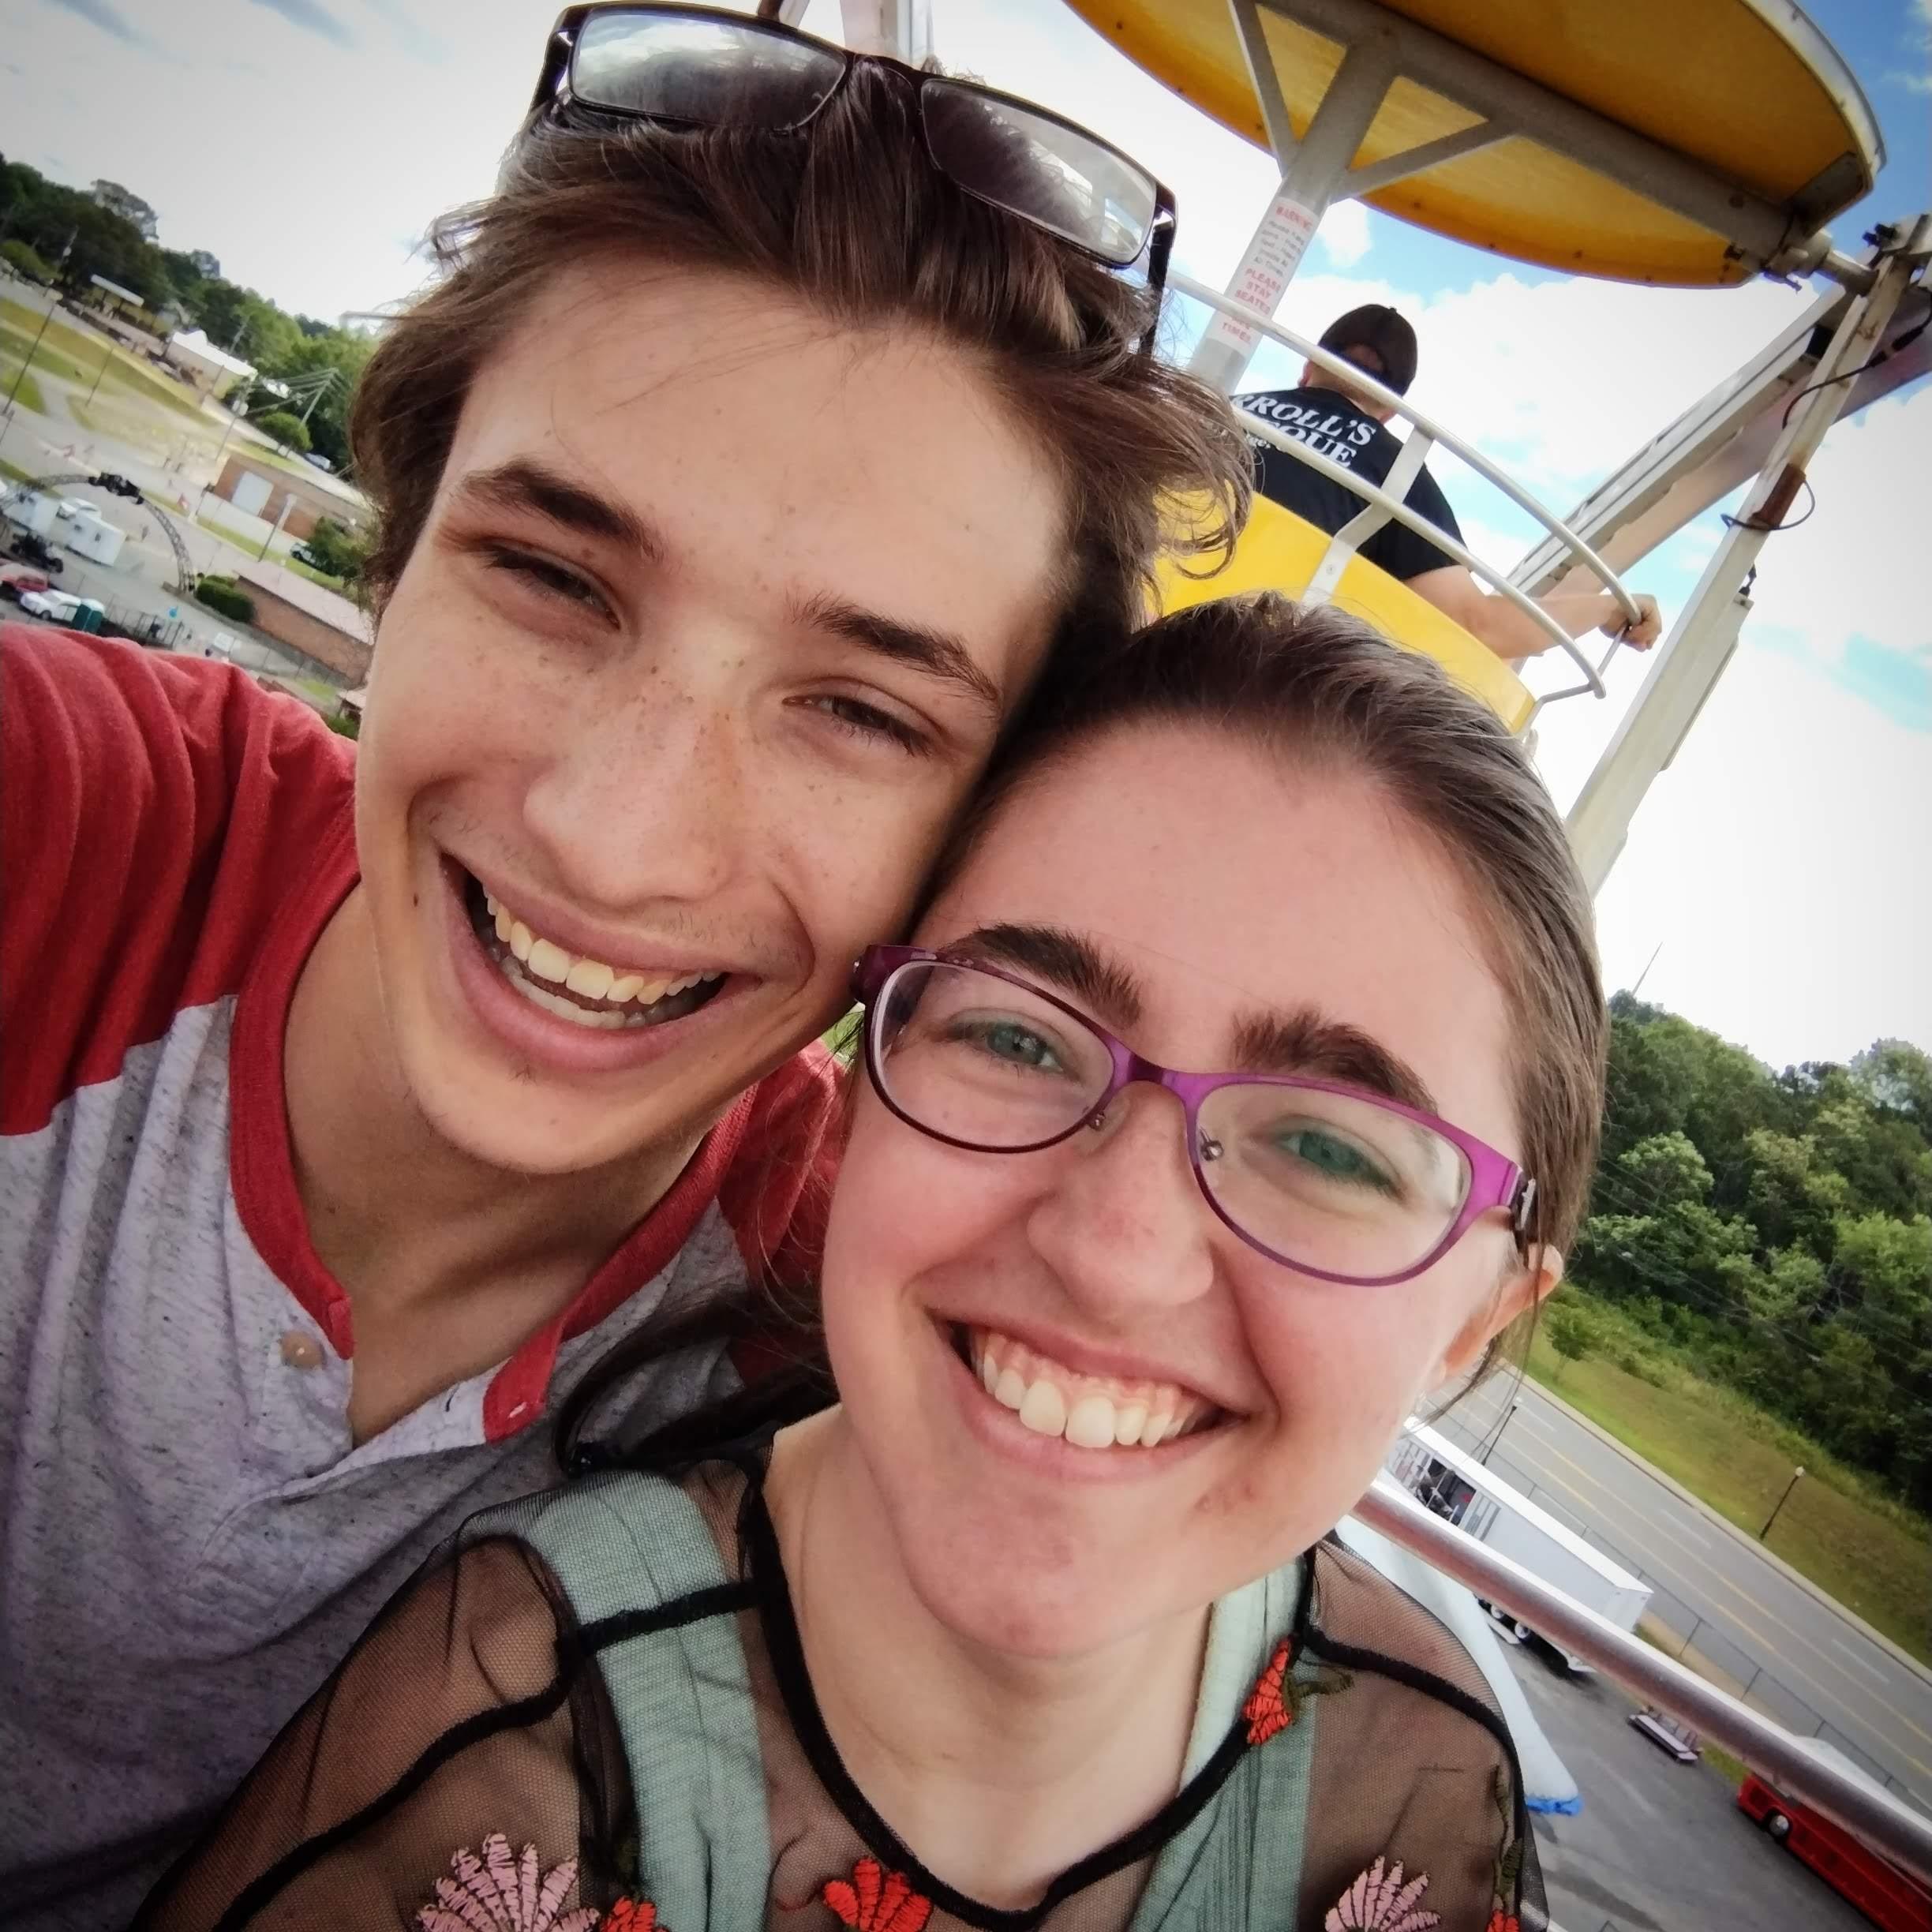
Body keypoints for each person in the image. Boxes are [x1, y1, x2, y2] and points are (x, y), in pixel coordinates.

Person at [0, 10, 1250, 1923]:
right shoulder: (63, 830)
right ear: (398, 557)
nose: (611, 833)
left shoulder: (874, 1307)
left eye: (854, 708)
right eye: (551, 578)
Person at [137, 593, 1604, 1932]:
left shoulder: (1416, 1773)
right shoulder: (504, 1760)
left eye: (1336, 1150)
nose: (1114, 1250)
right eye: (1017, 1035)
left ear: (1484, 1310)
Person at [1236, 303, 1663, 661]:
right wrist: (1609, 609)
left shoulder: (1214, 409)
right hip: (1237, 647)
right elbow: (1477, 626)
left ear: (1308, 368)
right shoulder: (1397, 470)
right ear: (1390, 410)